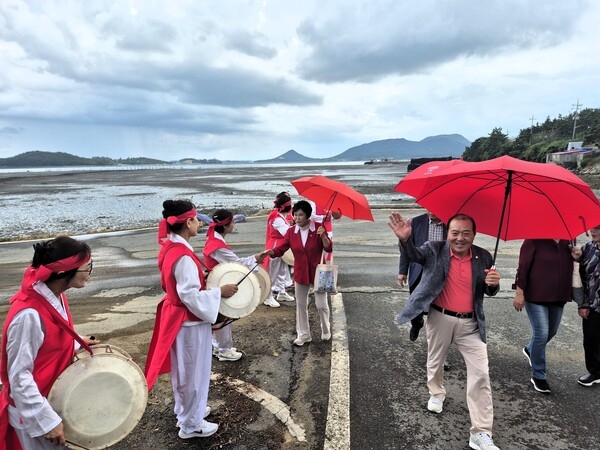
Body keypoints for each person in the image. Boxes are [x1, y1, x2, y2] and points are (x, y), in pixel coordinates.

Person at [388, 211, 502, 450]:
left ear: (474, 234)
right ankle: (437, 392)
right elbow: (414, 256)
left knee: (481, 375)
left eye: (466, 233)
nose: (460, 238)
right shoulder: (434, 249)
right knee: (435, 360)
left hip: (471, 324)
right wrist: (405, 240)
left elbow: (487, 290)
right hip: (440, 317)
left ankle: (480, 433)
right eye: (455, 233)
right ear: (448, 233)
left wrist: (494, 284)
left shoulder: (484, 256)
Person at [144, 200, 238, 440]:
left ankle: (188, 411)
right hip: (189, 322)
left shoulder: (170, 247)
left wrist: (202, 276)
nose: (199, 224)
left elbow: (177, 285)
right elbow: (189, 295)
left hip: (178, 318)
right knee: (194, 373)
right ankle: (191, 424)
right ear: (188, 222)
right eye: (196, 219)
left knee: (184, 371)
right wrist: (219, 293)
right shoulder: (183, 255)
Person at [0, 236, 98, 449]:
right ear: (64, 272)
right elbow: (19, 377)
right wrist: (46, 422)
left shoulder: (55, 295)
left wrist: (76, 342)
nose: (89, 272)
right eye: (86, 267)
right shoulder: (28, 315)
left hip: (51, 396)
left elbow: (47, 345)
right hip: (33, 411)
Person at [512, 239, 580, 394]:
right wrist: (519, 293)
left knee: (552, 331)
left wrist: (577, 256)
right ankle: (538, 375)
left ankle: (530, 350)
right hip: (536, 295)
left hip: (559, 296)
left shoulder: (569, 240)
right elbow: (522, 268)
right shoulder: (533, 240)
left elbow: (574, 266)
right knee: (541, 333)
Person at [262, 200, 333, 346]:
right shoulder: (291, 232)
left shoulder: (319, 228)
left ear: (308, 215)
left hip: (320, 271)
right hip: (301, 272)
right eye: (295, 215)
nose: (297, 218)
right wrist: (272, 252)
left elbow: (328, 249)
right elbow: (282, 248)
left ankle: (326, 329)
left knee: (321, 304)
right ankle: (304, 335)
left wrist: (324, 237)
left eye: (300, 215)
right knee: (301, 304)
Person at [202, 209, 264, 362]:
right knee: (223, 315)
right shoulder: (218, 245)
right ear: (225, 226)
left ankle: (218, 346)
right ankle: (224, 349)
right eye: (232, 222)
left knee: (219, 315)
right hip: (218, 283)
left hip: (216, 279)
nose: (234, 224)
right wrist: (256, 258)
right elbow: (237, 263)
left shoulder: (214, 238)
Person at [397, 210, 447, 342]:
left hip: (442, 273)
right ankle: (417, 323)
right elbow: (406, 250)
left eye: (435, 208)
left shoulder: (451, 224)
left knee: (439, 310)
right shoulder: (416, 222)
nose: (431, 211)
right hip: (420, 271)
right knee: (416, 304)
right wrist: (403, 272)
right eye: (427, 207)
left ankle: (438, 345)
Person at [575, 225, 600, 387]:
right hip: (593, 304)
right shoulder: (587, 249)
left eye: (598, 229)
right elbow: (581, 279)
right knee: (591, 340)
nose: (593, 231)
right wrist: (583, 304)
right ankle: (595, 372)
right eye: (593, 228)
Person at [262, 192, 296, 307]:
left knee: (282, 270)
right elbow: (286, 232)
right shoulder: (277, 218)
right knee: (273, 271)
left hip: (280, 245)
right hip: (276, 245)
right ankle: (268, 296)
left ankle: (281, 292)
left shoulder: (280, 216)